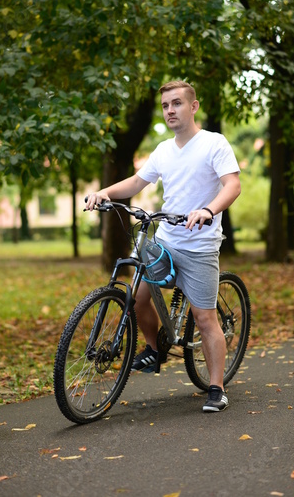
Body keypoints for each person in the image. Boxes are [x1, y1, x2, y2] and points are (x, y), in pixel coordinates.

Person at [85, 80, 241, 412]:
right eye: (166, 106)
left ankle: (216, 387)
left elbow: (233, 184)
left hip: (199, 244)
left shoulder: (214, 143)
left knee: (204, 317)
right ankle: (156, 348)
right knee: (138, 297)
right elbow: (138, 181)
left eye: (177, 104)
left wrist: (209, 209)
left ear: (193, 106)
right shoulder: (163, 150)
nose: (170, 110)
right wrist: (106, 193)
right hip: (166, 241)